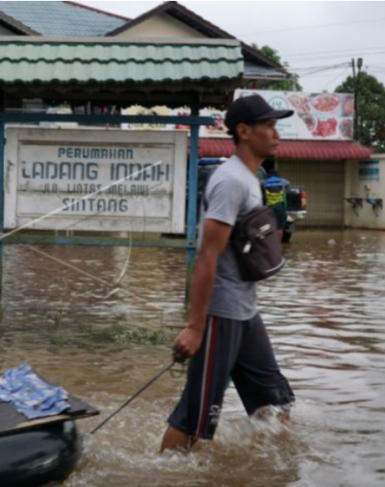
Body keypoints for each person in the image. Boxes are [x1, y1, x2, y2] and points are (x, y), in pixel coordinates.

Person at [162, 95, 296, 452]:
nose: (275, 133)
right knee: (194, 417)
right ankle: (163, 475)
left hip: (246, 313)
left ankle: (272, 470)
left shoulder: (254, 179)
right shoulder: (231, 181)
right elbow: (207, 255)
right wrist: (195, 326)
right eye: (268, 125)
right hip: (220, 315)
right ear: (244, 131)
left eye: (275, 124)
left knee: (276, 403)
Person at [262, 169, 290, 238]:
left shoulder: (264, 182)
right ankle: (278, 245)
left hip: (269, 207)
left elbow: (260, 187)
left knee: (269, 226)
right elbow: (288, 184)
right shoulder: (283, 181)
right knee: (280, 228)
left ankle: (270, 243)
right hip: (280, 206)